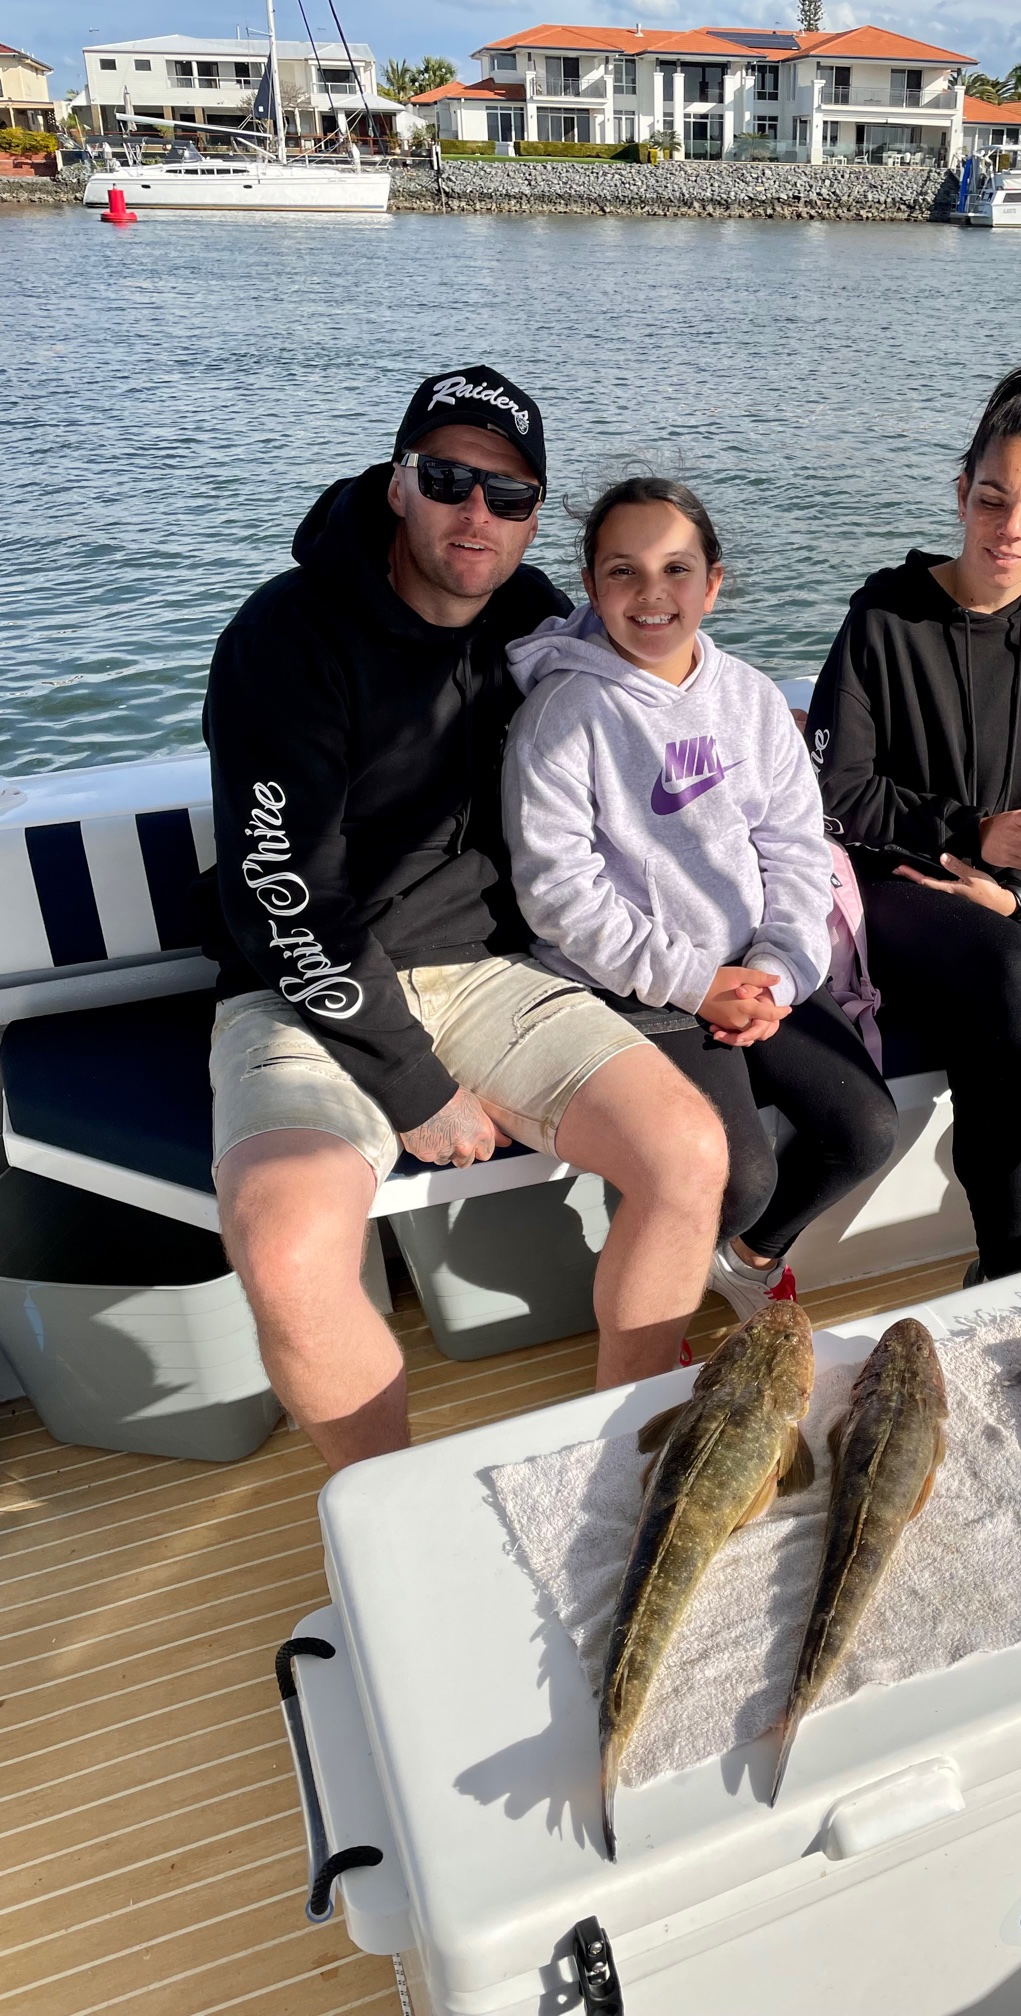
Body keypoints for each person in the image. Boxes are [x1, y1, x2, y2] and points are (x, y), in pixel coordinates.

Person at [203, 369, 730, 1468]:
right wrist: (414, 1083)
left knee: (688, 1154)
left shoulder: (534, 620)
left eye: (510, 494)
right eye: (448, 480)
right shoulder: (287, 637)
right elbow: (283, 891)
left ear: (536, 515)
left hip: (487, 971)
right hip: (305, 985)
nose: (476, 514)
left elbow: (667, 704)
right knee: (286, 1244)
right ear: (399, 486)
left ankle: (631, 1465)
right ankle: (392, 1511)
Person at [505, 477, 898, 1319]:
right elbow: (559, 898)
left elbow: (795, 850)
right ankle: (656, 1312)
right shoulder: (563, 714)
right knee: (738, 1170)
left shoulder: (752, 701)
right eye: (624, 572)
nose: (652, 595)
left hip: (752, 969)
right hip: (632, 982)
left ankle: (743, 1261)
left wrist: (780, 974)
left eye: (677, 569)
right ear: (592, 586)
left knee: (864, 1128)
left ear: (713, 583)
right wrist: (696, 982)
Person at [804, 367, 1021, 1281]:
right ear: (961, 494)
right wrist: (968, 834)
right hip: (899, 885)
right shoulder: (885, 618)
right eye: (992, 500)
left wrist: (1019, 884)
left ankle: (1001, 1268)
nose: (1011, 529)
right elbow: (837, 792)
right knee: (1009, 964)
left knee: (1009, 1021)